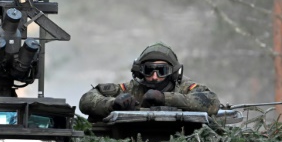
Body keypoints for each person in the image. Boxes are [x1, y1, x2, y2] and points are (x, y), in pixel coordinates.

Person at [79, 43, 220, 121]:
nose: (154, 76)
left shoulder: (185, 88)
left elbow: (212, 102)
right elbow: (87, 100)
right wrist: (112, 104)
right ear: (140, 72)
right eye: (148, 70)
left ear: (173, 72)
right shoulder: (130, 89)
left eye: (162, 71)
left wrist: (165, 98)